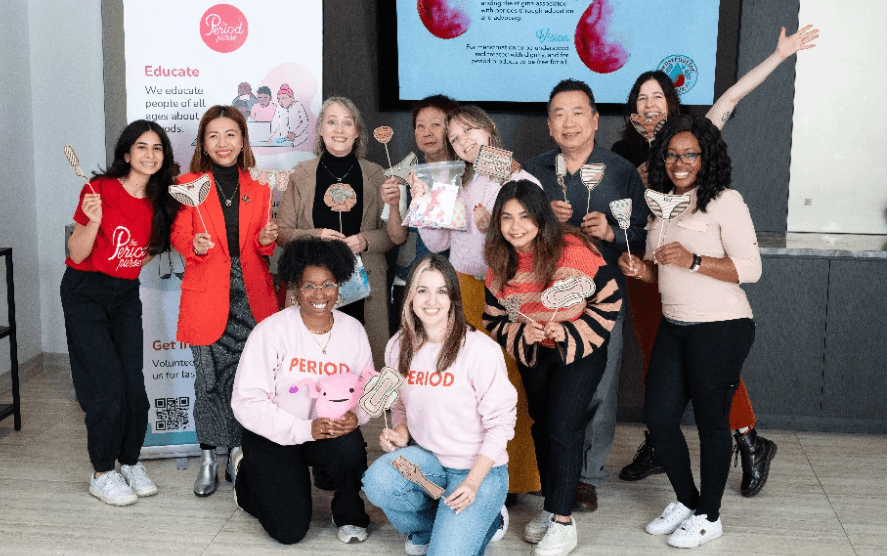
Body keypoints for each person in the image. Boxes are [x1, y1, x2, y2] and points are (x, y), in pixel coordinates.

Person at [612, 24, 817, 493]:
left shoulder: (695, 136)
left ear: (671, 102)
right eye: (641, 98)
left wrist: (780, 55)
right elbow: (621, 209)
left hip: (697, 269)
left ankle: (748, 438)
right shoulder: (624, 153)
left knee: (709, 361)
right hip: (649, 267)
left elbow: (731, 96)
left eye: (657, 96)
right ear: (632, 109)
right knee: (657, 360)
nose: (649, 105)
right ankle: (660, 441)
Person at [619, 115, 761, 548]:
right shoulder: (660, 204)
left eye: (689, 154)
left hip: (721, 327)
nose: (680, 162)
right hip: (676, 325)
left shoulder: (724, 201)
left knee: (711, 423)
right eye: (672, 154)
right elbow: (660, 271)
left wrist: (695, 260)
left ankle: (710, 515)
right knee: (659, 419)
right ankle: (687, 500)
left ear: (706, 158)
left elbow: (751, 270)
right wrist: (639, 269)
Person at [523, 79, 647, 513]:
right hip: (542, 300)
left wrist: (613, 232)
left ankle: (586, 477)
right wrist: (543, 223)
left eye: (578, 112)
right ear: (549, 125)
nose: (568, 121)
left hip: (601, 300)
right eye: (559, 113)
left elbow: (643, 236)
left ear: (595, 120)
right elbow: (512, 231)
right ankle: (552, 470)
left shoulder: (620, 172)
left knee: (600, 386)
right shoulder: (533, 171)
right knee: (547, 386)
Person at [483, 181, 622, 556]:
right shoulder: (499, 260)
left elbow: (609, 300)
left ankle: (563, 521)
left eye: (525, 217)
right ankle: (550, 507)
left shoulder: (573, 250)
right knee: (542, 425)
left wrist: (568, 329)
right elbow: (493, 317)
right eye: (506, 217)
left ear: (541, 217)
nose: (515, 226)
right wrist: (520, 329)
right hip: (536, 350)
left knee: (563, 426)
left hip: (581, 348)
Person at [414, 105, 542, 502]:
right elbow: (437, 244)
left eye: (469, 130)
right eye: (454, 137)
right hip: (462, 292)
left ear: (489, 130)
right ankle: (462, 468)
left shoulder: (518, 178)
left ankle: (514, 479)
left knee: (506, 386)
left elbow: (536, 243)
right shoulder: (455, 182)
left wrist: (496, 232)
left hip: (506, 293)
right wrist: (423, 204)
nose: (463, 140)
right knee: (461, 385)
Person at [363, 253, 516, 556]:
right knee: (378, 481)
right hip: (430, 462)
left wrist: (472, 484)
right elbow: (401, 406)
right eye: (422, 290)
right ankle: (428, 528)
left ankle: (486, 518)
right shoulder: (398, 346)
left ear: (453, 298)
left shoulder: (479, 350)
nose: (431, 300)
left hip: (479, 470)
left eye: (441, 291)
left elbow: (501, 425)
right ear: (410, 296)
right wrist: (401, 432)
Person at [60, 120, 180, 506]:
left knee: (135, 389)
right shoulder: (98, 190)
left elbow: (149, 250)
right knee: (108, 388)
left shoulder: (163, 201)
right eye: (141, 147)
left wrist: (124, 269)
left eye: (157, 148)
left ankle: (129, 461)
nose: (150, 154)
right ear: (126, 154)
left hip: (125, 295)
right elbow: (77, 254)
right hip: (85, 293)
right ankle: (102, 472)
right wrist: (94, 221)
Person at [230, 237, 374, 545]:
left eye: (328, 285)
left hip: (325, 434)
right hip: (275, 434)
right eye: (309, 285)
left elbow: (364, 390)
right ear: (295, 286)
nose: (319, 295)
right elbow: (247, 401)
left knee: (351, 448)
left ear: (340, 284)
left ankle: (348, 513)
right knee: (289, 531)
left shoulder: (353, 331)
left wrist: (356, 416)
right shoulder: (271, 331)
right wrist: (303, 428)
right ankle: (247, 477)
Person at [171, 106, 279, 498]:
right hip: (206, 296)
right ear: (203, 142)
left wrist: (268, 239)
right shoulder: (187, 185)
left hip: (251, 295)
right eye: (213, 135)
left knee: (243, 380)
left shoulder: (260, 187)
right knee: (208, 381)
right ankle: (207, 457)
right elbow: (179, 235)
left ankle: (237, 451)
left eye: (230, 134)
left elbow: (260, 248)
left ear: (243, 140)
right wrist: (193, 245)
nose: (223, 143)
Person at [277, 96, 393, 369]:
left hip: (364, 287)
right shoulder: (301, 174)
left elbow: (392, 235)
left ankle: (363, 413)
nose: (339, 130)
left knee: (362, 364)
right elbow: (282, 233)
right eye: (331, 122)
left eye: (347, 123)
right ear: (320, 129)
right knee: (311, 361)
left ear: (357, 132)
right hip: (312, 284)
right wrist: (316, 235)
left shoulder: (377, 175)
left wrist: (365, 240)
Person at [381, 94, 459, 334]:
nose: (427, 132)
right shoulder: (405, 176)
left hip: (455, 285)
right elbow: (396, 237)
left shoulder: (468, 177)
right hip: (408, 282)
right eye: (420, 126)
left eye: (436, 124)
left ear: (452, 128)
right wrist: (394, 204)